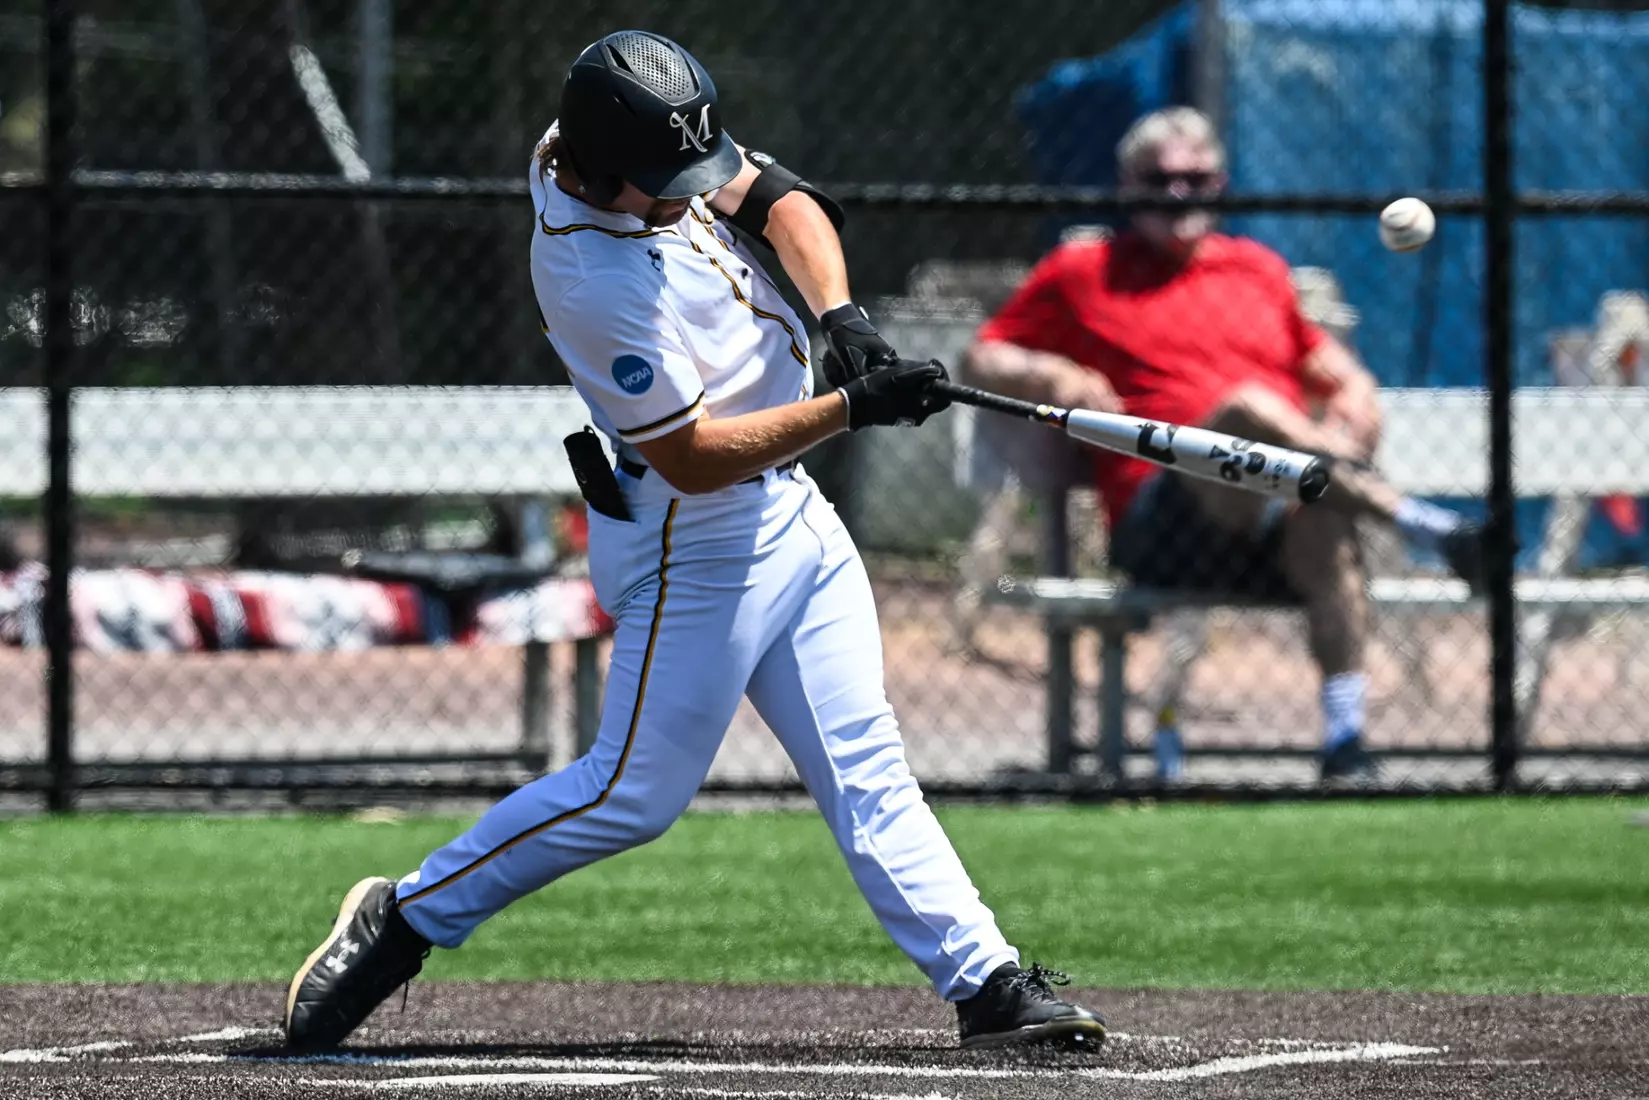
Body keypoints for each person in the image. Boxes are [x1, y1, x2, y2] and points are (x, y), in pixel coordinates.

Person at [281, 30, 1105, 1053]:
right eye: (662, 182)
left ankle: (982, 981)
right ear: (600, 168)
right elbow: (694, 455)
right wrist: (853, 406)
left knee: (865, 765)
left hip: (790, 511)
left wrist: (841, 319)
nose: (685, 194)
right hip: (696, 539)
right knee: (630, 793)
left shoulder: (620, 142)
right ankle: (403, 918)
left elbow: (777, 199)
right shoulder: (586, 275)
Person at [962, 107, 1485, 785]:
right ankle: (1422, 522)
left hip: (1272, 520)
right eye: (1160, 178)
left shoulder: (1257, 270)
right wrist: (1052, 372)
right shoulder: (1082, 269)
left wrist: (1354, 393)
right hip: (1165, 522)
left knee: (1320, 512)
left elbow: (1328, 365)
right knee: (1245, 409)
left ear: (1220, 182)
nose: (1178, 193)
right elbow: (982, 356)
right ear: (1127, 184)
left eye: (1195, 178)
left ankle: (1344, 742)